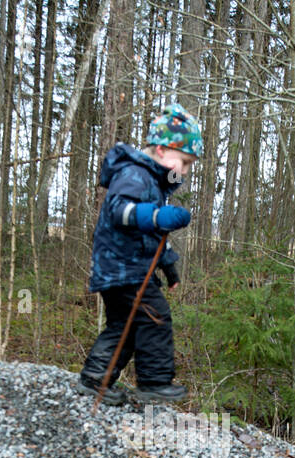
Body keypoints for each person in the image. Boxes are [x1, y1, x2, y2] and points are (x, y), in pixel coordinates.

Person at [74, 102, 202, 406]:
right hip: (123, 268)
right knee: (155, 316)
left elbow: (153, 236)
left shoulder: (154, 183)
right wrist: (157, 216)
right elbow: (120, 211)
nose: (183, 171)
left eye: (188, 166)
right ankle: (154, 382)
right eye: (182, 162)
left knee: (125, 326)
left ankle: (96, 379)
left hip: (124, 269)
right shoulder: (134, 174)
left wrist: (168, 266)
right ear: (161, 150)